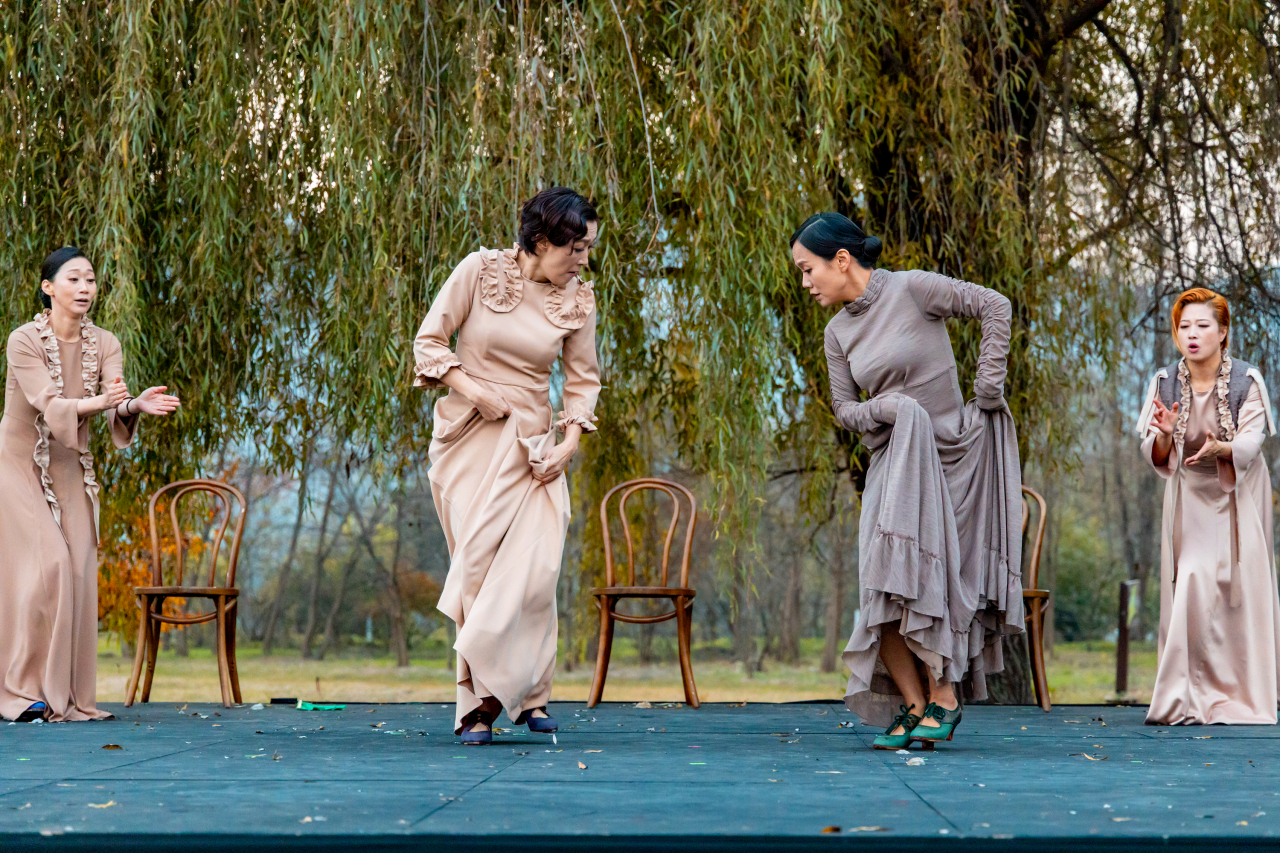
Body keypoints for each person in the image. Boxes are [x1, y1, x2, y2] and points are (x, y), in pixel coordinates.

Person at [792, 213, 1023, 749]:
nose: (805, 283)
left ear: (841, 261)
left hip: (953, 462)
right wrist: (888, 407)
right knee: (882, 585)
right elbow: (845, 410)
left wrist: (988, 386)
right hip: (892, 466)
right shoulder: (837, 333)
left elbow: (994, 305)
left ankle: (943, 696)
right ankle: (914, 704)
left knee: (936, 582)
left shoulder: (914, 287)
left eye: (808, 270)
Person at [414, 187, 602, 745]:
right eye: (577, 248)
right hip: (468, 439)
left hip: (536, 447)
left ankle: (530, 697)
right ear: (540, 241)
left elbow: (583, 380)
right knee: (479, 573)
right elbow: (428, 342)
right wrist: (474, 391)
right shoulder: (479, 271)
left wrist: (570, 441)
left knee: (535, 573)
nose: (584, 260)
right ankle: (476, 709)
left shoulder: (579, 300)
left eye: (590, 248)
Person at [0, 247, 181, 722]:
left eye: (92, 281)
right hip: (19, 463)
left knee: (79, 570)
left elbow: (112, 401)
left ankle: (67, 696)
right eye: (75, 280)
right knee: (49, 568)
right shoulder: (23, 340)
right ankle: (18, 693)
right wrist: (103, 402)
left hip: (70, 462)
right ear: (48, 288)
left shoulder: (106, 342)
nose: (85, 289)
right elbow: (49, 403)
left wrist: (133, 406)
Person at [1137, 288, 1279, 725]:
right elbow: (1153, 448)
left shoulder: (1247, 381)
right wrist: (1163, 433)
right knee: (1194, 578)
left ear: (1223, 332)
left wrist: (1225, 447)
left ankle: (1242, 696)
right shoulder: (1163, 381)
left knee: (1237, 591)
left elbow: (1253, 441)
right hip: (1189, 496)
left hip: (1238, 491)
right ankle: (1184, 697)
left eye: (1202, 325)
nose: (1192, 335)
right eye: (1184, 327)